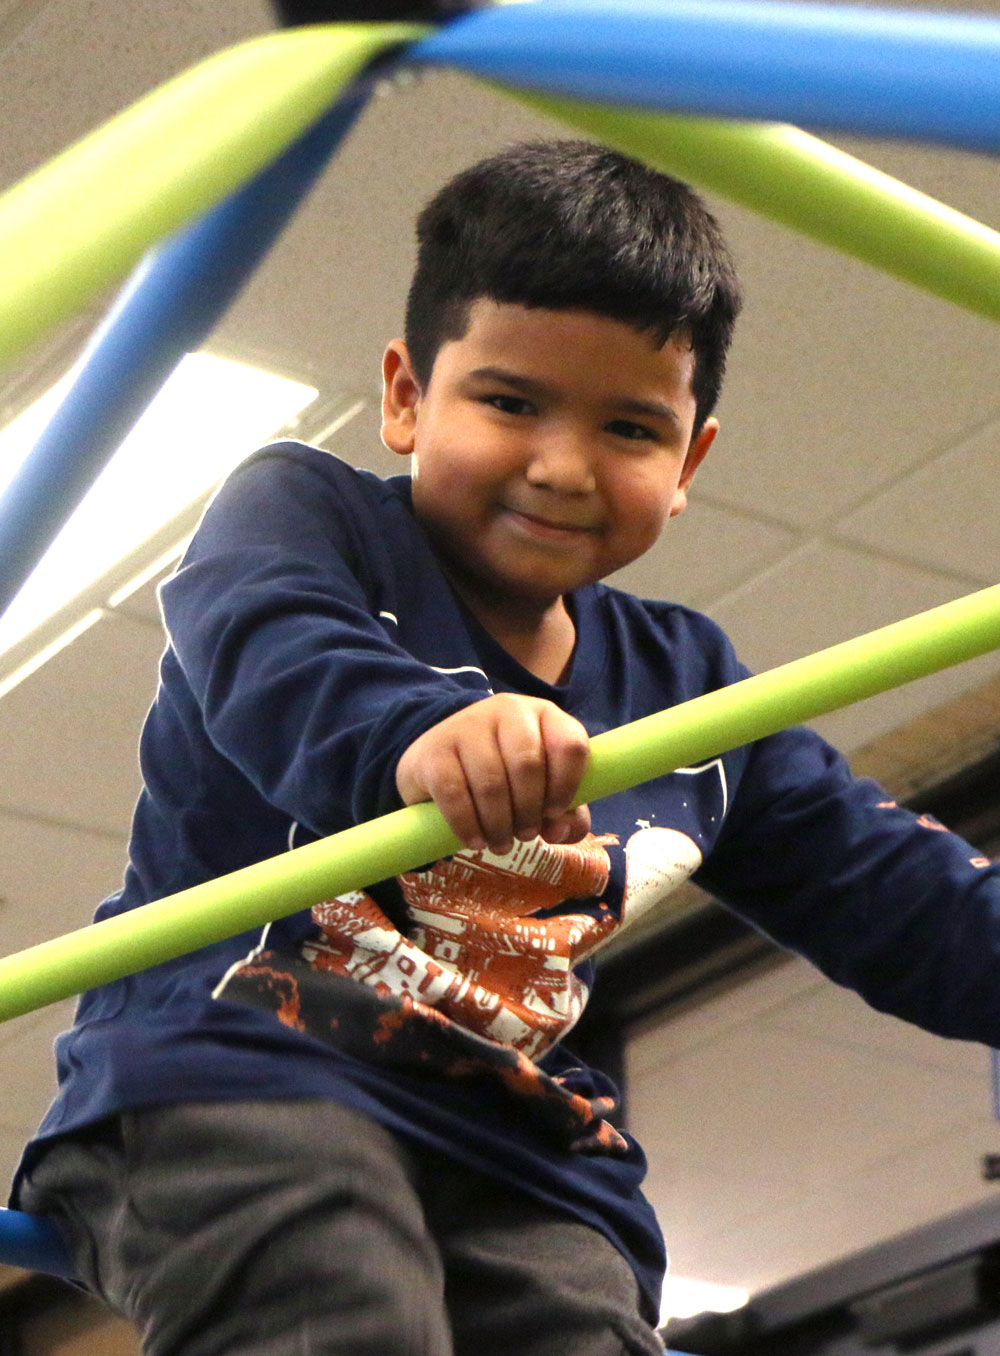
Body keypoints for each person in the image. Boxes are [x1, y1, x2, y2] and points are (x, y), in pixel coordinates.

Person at [12, 139, 1000, 1356]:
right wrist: (421, 731)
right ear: (406, 397)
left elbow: (895, 894)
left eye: (630, 428)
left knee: (582, 1308)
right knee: (336, 1286)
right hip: (241, 1069)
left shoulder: (688, 690)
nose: (563, 466)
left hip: (512, 1142)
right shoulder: (310, 519)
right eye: (510, 403)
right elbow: (273, 652)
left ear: (687, 463)